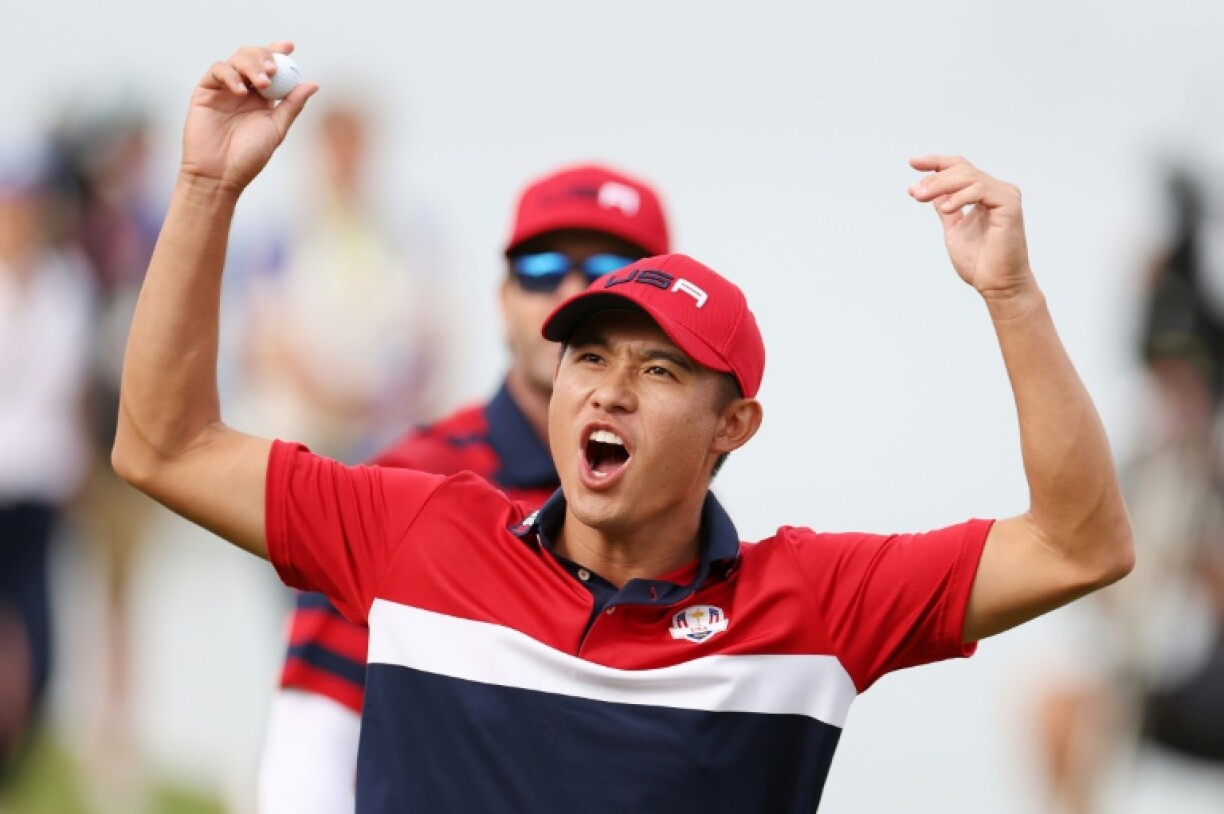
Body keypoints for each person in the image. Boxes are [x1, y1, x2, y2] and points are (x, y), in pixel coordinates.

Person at [113, 44, 1134, 811]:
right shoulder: (421, 528)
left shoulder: (811, 603)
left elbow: (1079, 546)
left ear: (734, 425)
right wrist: (205, 188)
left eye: (657, 370)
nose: (608, 391)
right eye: (590, 357)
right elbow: (163, 446)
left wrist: (1012, 296)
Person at [257, 158, 671, 813]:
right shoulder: (407, 482)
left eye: (608, 274)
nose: (570, 292)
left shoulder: (680, 511)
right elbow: (313, 738)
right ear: (503, 302)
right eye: (540, 271)